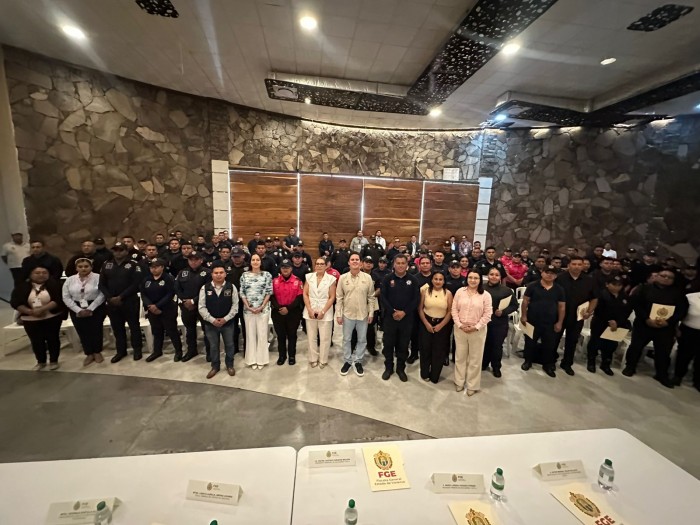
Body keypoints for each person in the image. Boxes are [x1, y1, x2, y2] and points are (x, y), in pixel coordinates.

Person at [623, 269, 689, 387]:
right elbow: (636, 305)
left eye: (669, 277)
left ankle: (661, 374)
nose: (666, 278)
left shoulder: (678, 293)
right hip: (644, 324)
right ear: (657, 276)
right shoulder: (644, 289)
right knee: (636, 347)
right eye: (663, 276)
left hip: (665, 328)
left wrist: (668, 322)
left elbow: (682, 310)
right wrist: (646, 319)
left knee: (663, 352)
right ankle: (630, 367)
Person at [10, 266, 65, 370]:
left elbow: (58, 300)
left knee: (53, 339)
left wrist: (42, 309)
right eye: (37, 273)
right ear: (31, 275)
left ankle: (54, 360)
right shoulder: (21, 287)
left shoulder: (55, 285)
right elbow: (15, 303)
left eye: (44, 273)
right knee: (36, 341)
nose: (41, 275)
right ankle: (41, 361)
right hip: (30, 319)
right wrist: (30, 312)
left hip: (51, 317)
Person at [99, 241, 144, 362]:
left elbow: (136, 283)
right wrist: (110, 298)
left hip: (129, 300)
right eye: (115, 250)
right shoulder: (107, 264)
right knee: (117, 327)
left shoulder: (133, 264)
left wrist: (121, 296)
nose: (118, 252)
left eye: (121, 250)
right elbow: (101, 284)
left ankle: (137, 349)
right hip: (112, 302)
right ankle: (121, 351)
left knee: (134, 326)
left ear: (126, 251)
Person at [554, 256, 597, 375]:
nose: (576, 266)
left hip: (578, 316)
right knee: (555, 339)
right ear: (568, 265)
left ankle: (567, 363)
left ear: (583, 266)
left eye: (579, 264)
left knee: (572, 341)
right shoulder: (559, 278)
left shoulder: (589, 280)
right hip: (559, 315)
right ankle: (550, 361)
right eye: (574, 264)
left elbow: (594, 298)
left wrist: (589, 311)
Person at [520, 265, 565, 377]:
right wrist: (524, 316)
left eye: (552, 273)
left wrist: (560, 322)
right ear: (542, 273)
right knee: (530, 342)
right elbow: (525, 301)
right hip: (532, 320)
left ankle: (547, 365)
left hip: (550, 322)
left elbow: (561, 307)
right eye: (547, 272)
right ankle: (528, 361)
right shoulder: (532, 286)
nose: (549, 275)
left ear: (555, 276)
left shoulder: (559, 289)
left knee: (549, 344)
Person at [336, 253, 377, 377]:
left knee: (362, 339)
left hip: (363, 315)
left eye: (357, 260)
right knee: (347, 339)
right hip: (347, 314)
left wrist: (371, 313)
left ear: (360, 263)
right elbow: (339, 297)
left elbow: (371, 297)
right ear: (349, 263)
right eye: (352, 260)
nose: (354, 261)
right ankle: (347, 361)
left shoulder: (367, 278)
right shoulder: (343, 278)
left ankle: (358, 361)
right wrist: (338, 314)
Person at [452, 270, 492, 395]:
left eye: (476, 278)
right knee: (460, 357)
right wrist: (460, 325)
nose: (473, 280)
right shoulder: (460, 292)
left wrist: (476, 327)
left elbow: (488, 314)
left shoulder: (485, 295)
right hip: (460, 329)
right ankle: (459, 382)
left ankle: (472, 385)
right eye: (470, 277)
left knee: (475, 359)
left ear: (480, 280)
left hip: (477, 331)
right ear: (467, 278)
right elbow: (454, 309)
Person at [380, 254, 420, 382]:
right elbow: (383, 297)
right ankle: (389, 368)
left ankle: (400, 369)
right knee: (388, 344)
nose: (401, 265)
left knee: (403, 345)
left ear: (407, 265)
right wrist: (393, 311)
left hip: (406, 319)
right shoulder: (387, 279)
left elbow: (416, 299)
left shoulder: (413, 280)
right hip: (390, 318)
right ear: (394, 264)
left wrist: (404, 312)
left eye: (403, 263)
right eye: (398, 263)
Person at [62, 258, 107, 366]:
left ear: (91, 267)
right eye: (80, 267)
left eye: (86, 266)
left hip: (95, 306)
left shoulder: (98, 277)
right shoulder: (70, 280)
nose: (83, 269)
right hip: (76, 306)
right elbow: (66, 296)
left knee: (96, 329)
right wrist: (78, 310)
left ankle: (97, 352)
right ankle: (89, 353)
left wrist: (90, 308)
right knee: (82, 331)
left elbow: (102, 293)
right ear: (76, 268)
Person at [199, 262, 239, 379]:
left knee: (230, 345)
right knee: (213, 346)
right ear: (212, 274)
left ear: (225, 274)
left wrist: (225, 319)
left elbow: (235, 306)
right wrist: (212, 320)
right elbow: (201, 307)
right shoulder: (205, 288)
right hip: (211, 324)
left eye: (221, 272)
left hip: (228, 323)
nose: (218, 275)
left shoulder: (231, 287)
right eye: (216, 273)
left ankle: (230, 365)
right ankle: (215, 366)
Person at [586, 275, 632, 375]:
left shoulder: (624, 297)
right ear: (607, 284)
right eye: (614, 284)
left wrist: (618, 322)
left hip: (616, 325)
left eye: (619, 285)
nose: (617, 287)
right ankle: (591, 361)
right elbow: (599, 310)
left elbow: (627, 311)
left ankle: (605, 364)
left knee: (611, 345)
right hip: (600, 322)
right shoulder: (601, 294)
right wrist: (609, 320)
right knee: (595, 342)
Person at [140, 259, 183, 362]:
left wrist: (157, 306)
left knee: (172, 331)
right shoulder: (147, 279)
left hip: (167, 309)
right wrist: (150, 305)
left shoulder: (168, 278)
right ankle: (157, 351)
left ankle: (178, 351)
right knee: (156, 331)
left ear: (162, 267)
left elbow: (170, 294)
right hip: (152, 310)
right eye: (151, 267)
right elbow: (143, 294)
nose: (153, 269)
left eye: (156, 267)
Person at [175, 252, 211, 362]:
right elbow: (177, 288)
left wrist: (193, 301)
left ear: (201, 260)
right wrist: (185, 301)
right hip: (186, 306)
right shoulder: (182, 273)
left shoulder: (207, 272)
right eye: (191, 260)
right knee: (190, 330)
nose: (193, 262)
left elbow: (208, 289)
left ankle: (210, 352)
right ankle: (191, 351)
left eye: (196, 259)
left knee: (207, 330)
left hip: (203, 306)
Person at [418, 272, 453, 383]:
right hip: (426, 322)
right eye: (435, 279)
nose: (438, 281)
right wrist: (426, 324)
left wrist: (440, 325)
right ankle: (424, 373)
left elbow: (450, 312)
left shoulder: (448, 293)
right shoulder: (425, 291)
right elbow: (420, 309)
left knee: (438, 351)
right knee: (425, 349)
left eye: (440, 279)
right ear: (432, 280)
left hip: (442, 324)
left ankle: (435, 375)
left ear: (444, 281)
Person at [483, 267, 518, 377]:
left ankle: (496, 367)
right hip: (483, 322)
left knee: (497, 346)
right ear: (487, 276)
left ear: (500, 277)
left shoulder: (506, 290)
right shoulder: (481, 288)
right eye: (491, 274)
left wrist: (503, 312)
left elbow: (514, 305)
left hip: (499, 322)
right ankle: (483, 363)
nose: (494, 277)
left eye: (496, 275)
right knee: (484, 344)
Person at [240, 253, 273, 370]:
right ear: (250, 262)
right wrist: (248, 306)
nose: (255, 262)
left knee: (262, 335)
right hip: (248, 310)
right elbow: (242, 292)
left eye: (257, 260)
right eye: (253, 260)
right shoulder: (244, 275)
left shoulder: (267, 275)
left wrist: (262, 306)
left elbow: (269, 292)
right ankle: (251, 360)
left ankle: (261, 360)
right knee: (250, 335)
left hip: (262, 310)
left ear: (260, 262)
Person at [303, 257, 337, 368]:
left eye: (322, 264)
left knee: (325, 338)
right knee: (311, 337)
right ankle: (313, 358)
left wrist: (323, 311)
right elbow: (305, 294)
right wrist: (309, 309)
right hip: (310, 309)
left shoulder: (331, 279)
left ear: (326, 266)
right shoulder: (309, 277)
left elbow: (332, 297)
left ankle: (323, 359)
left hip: (325, 310)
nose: (319, 266)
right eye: (317, 264)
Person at [271, 259, 304, 366]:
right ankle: (282, 356)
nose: (285, 269)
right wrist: (279, 308)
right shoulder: (274, 281)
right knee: (280, 335)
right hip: (278, 312)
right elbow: (271, 296)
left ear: (291, 268)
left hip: (293, 312)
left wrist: (288, 308)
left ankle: (291, 356)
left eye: (287, 267)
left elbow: (299, 297)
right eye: (283, 267)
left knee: (292, 335)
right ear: (280, 269)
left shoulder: (298, 281)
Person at [673, 285, 700, 390]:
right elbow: (679, 313)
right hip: (689, 330)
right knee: (684, 354)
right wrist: (676, 328)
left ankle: (697, 380)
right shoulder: (690, 297)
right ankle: (678, 376)